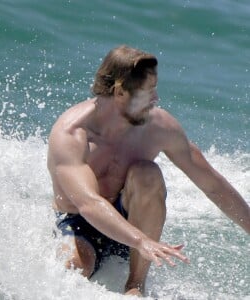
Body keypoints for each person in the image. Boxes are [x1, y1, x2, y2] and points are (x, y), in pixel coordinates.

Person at [47, 45, 250, 296]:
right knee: (70, 271)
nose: (156, 99)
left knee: (148, 173)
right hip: (80, 224)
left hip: (133, 220)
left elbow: (212, 184)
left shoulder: (158, 126)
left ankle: (135, 285)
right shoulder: (71, 134)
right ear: (120, 91)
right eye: (148, 91)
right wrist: (140, 241)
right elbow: (89, 204)